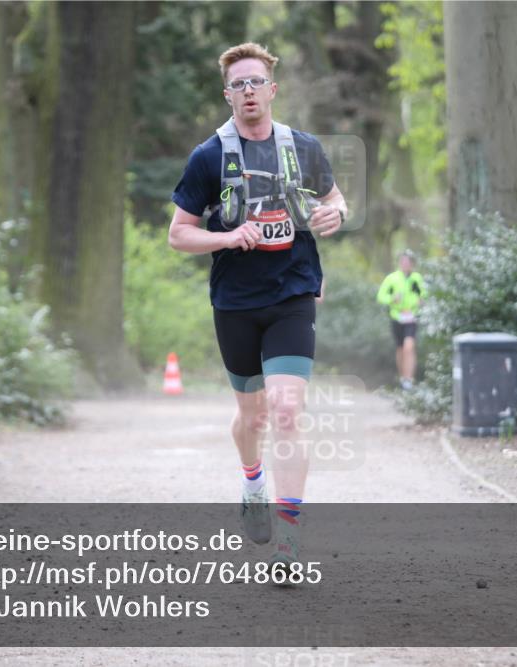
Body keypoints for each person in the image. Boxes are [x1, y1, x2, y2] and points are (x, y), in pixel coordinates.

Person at [168, 43, 347, 567]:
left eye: (256, 82)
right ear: (228, 96)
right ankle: (252, 485)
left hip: (293, 292)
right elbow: (179, 235)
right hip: (236, 301)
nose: (248, 92)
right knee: (253, 415)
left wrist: (335, 213)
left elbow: (334, 198)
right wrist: (227, 238)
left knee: (288, 410)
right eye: (238, 85)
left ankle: (289, 539)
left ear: (272, 89)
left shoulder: (304, 148)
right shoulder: (208, 157)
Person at [377, 250, 424, 390]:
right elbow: (381, 297)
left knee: (409, 346)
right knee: (401, 349)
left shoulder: (417, 278)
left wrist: (421, 301)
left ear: (412, 264)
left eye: (408, 262)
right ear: (399, 263)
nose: (405, 264)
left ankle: (409, 379)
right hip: (397, 317)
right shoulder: (392, 278)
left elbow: (424, 294)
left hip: (412, 317)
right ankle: (403, 378)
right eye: (403, 262)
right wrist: (392, 299)